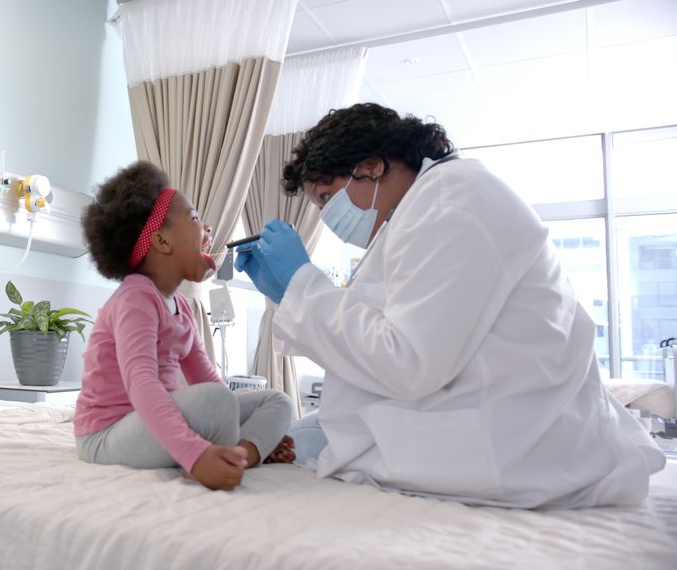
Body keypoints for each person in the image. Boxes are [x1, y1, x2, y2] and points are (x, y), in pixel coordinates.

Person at [234, 103, 665, 508]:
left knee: (305, 441)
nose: (328, 217)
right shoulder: (418, 212)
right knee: (304, 434)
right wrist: (289, 293)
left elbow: (407, 360)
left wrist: (303, 286)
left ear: (370, 167)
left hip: (512, 441)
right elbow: (381, 333)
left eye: (327, 198)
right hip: (483, 415)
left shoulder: (451, 199)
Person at [75, 161, 296, 491]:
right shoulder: (135, 299)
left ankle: (241, 455)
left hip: (149, 425)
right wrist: (193, 454)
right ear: (162, 241)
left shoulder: (179, 305)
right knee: (216, 402)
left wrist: (254, 431)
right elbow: (143, 385)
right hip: (107, 434)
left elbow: (208, 379)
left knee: (276, 401)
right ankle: (223, 455)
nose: (206, 229)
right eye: (194, 218)